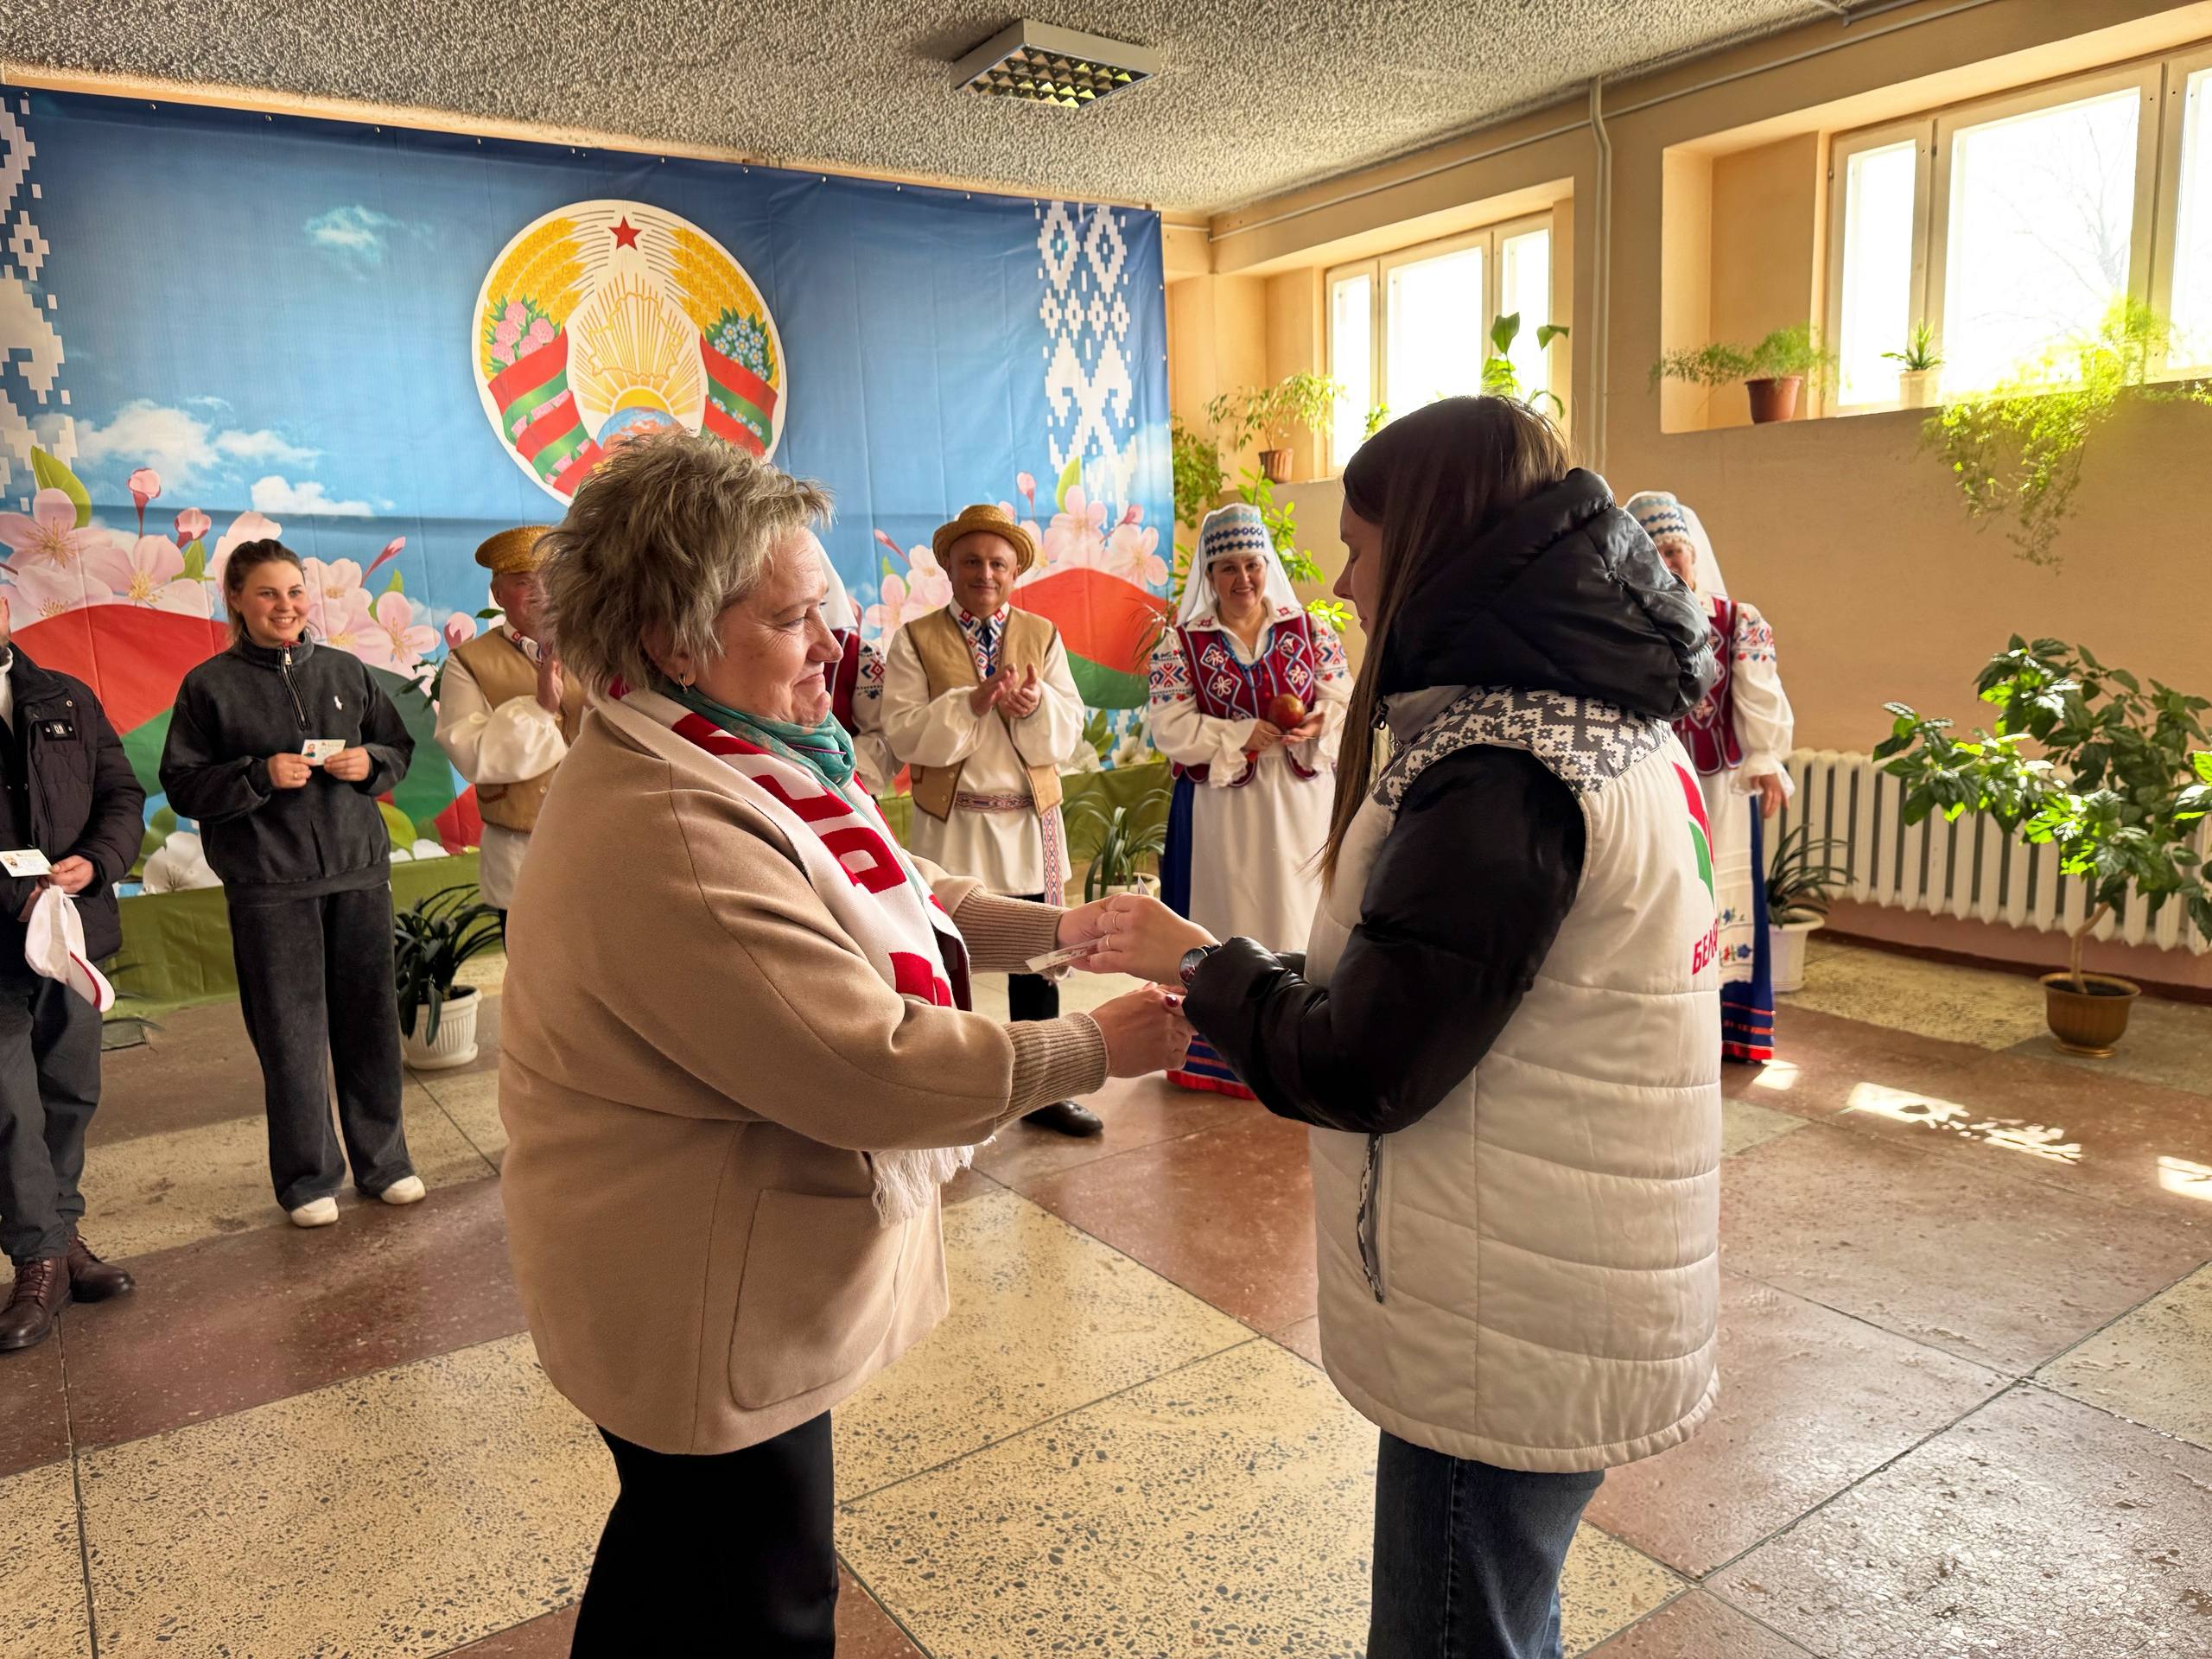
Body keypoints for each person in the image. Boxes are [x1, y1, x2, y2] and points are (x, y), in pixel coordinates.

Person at [498, 432, 1188, 1654]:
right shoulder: (673, 823)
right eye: (792, 619)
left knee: (671, 1557)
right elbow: (869, 1066)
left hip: (694, 1261)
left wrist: (1061, 932)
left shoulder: (719, 747)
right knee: (758, 1595)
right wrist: (1095, 1048)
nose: (832, 645)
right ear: (671, 639)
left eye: (829, 608)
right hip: (696, 1283)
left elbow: (892, 886)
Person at [1082, 397, 1723, 1659]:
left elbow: (1364, 1062)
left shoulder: (1504, 767)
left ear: (1431, 541)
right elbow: (1428, 985)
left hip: (1506, 1301)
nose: (1338, 581)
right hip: (1555, 1259)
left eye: (1357, 544)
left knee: (1452, 1629)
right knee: (1501, 1611)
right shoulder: (1598, 716)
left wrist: (1201, 965)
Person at [160, 539, 423, 1229]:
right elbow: (182, 784)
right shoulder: (208, 686)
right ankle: (309, 1179)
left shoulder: (345, 670)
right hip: (269, 884)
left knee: (370, 1024)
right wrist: (257, 775)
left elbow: (397, 748)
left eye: (296, 591)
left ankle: (385, 1163)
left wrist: (370, 764)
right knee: (289, 1034)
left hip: (357, 874)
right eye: (268, 593)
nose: (286, 606)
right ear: (236, 600)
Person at [879, 503, 1098, 1138]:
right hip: (954, 829)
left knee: (1038, 953)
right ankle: (955, 1093)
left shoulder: (1043, 635)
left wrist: (1035, 706)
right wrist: (970, 703)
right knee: (951, 958)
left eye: (998, 563)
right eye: (971, 561)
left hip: (1028, 825)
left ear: (1014, 572)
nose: (985, 573)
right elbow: (902, 732)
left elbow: (1069, 727)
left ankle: (1045, 1090)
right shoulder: (915, 640)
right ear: (948, 568)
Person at [1147, 501, 1350, 1096]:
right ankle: (1222, 1058)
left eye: (1252, 564)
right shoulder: (1181, 645)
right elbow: (1168, 726)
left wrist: (1318, 723)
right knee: (1228, 912)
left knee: (1298, 910)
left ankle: (1301, 1049)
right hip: (1223, 811)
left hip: (1299, 804)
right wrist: (1239, 735)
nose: (1243, 579)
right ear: (1209, 575)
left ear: (1268, 566)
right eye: (1228, 567)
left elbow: (1344, 698)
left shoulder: (1311, 631)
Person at [0, 596, 147, 1352]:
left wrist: (98, 861)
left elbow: (122, 794)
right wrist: (13, 894)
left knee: (70, 1091)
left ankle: (59, 1242)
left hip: (69, 936)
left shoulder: (64, 696)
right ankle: (38, 1258)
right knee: (8, 1107)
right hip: (1, 939)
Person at [1624, 491, 1796, 1065]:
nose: (1671, 563)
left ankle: (1728, 1026)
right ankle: (1664, 1022)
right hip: (1655, 784)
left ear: (1694, 552)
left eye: (1677, 551)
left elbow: (1760, 694)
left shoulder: (1736, 619)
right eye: (1657, 554)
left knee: (1719, 886)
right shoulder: (1628, 624)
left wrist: (1767, 760)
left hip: (1720, 786)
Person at [434, 525, 587, 925]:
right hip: (521, 852)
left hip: (600, 840)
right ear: (498, 594)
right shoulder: (468, 662)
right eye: (523, 582)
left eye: (550, 579)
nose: (540, 592)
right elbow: (472, 754)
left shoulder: (595, 649)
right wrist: (539, 709)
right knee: (530, 954)